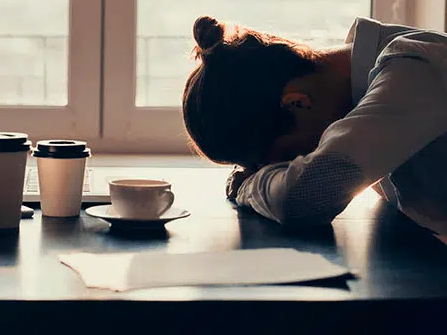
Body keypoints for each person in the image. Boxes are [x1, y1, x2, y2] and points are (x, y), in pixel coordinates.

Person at [182, 15, 447, 229]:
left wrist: (247, 187)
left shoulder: (413, 71)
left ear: (297, 102)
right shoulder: (360, 85)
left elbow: (305, 196)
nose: (292, 167)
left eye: (287, 156)